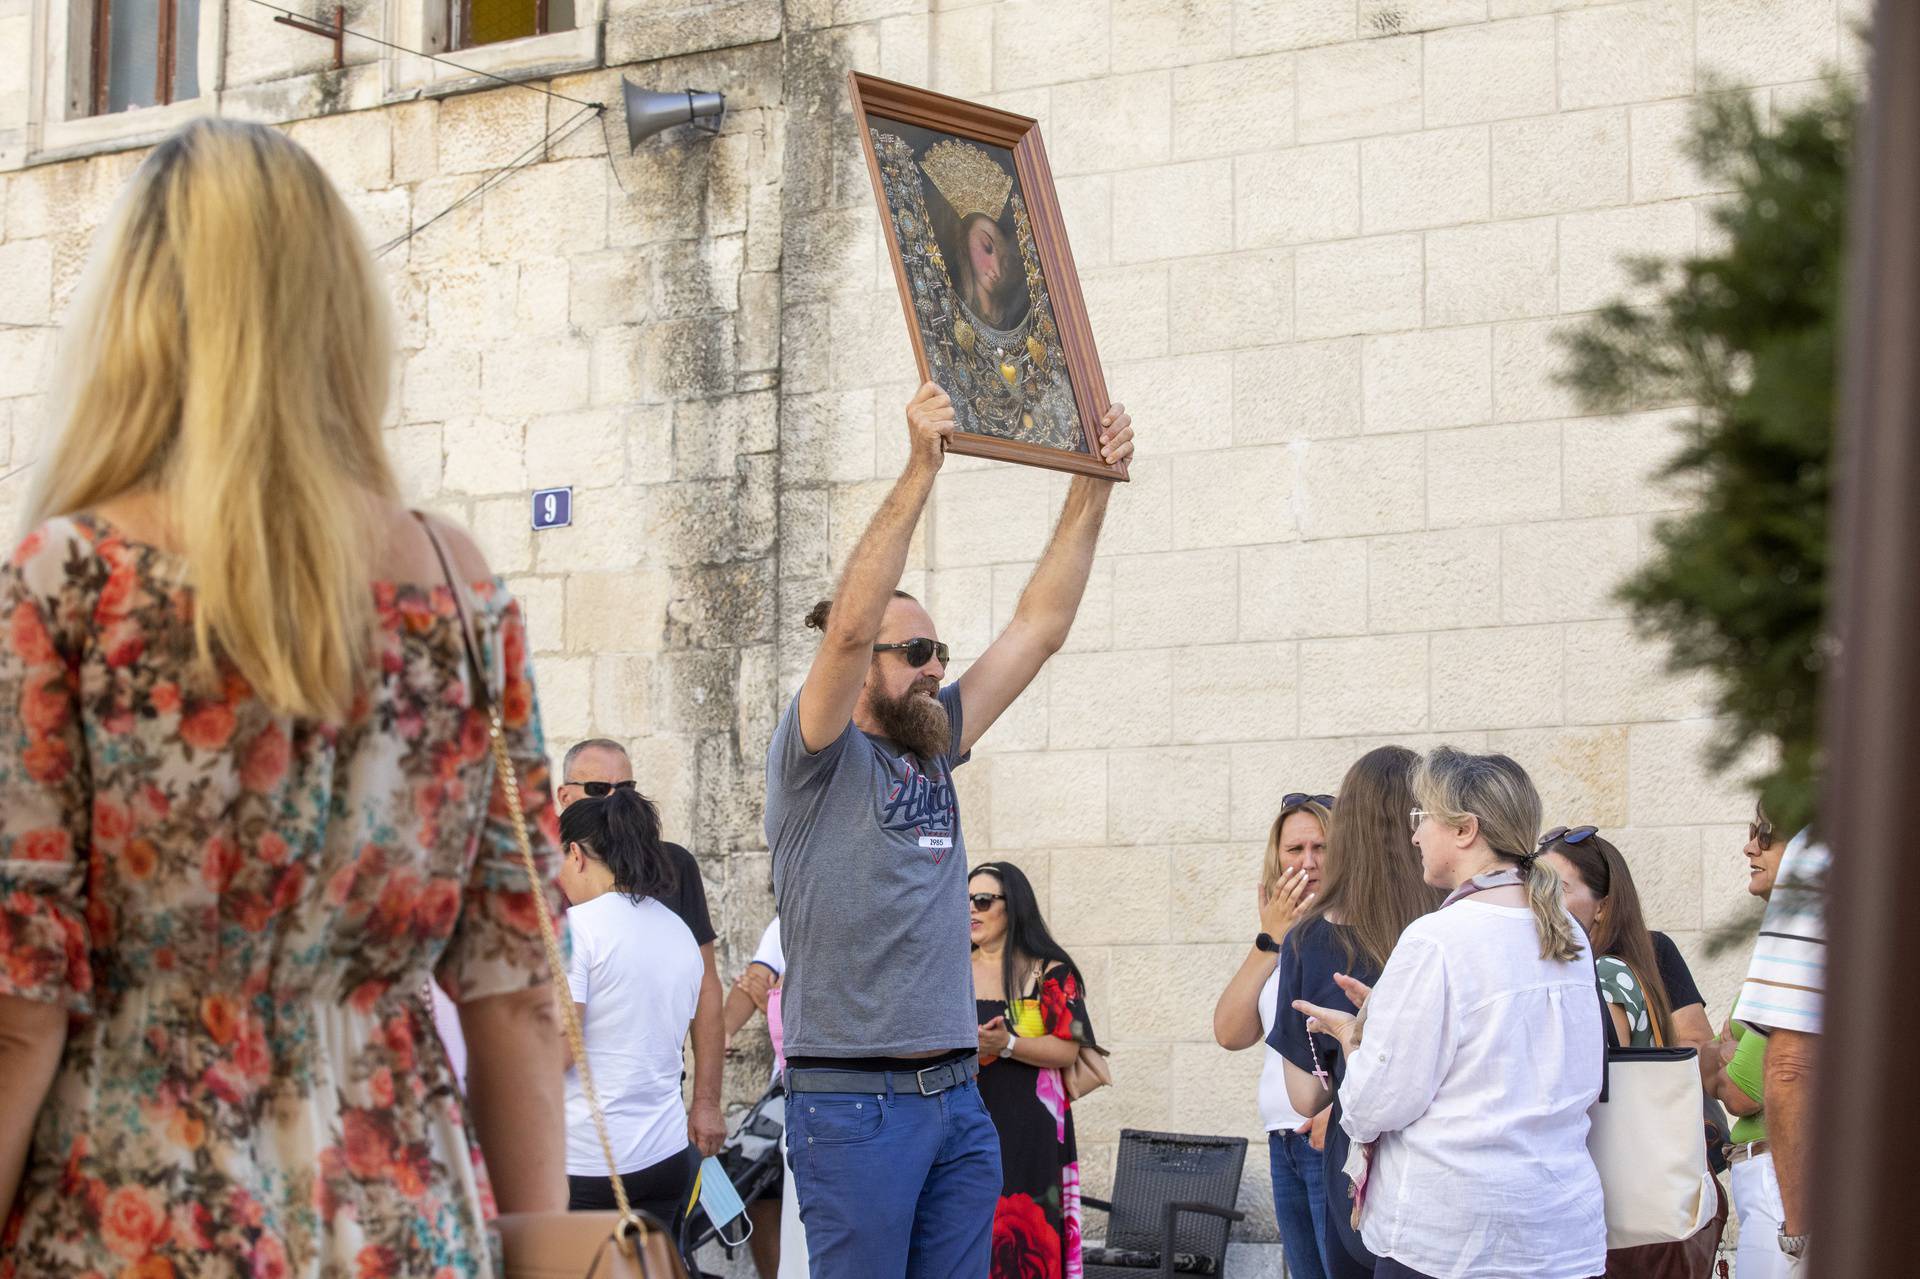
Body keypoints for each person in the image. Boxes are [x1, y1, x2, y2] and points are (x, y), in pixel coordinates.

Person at [0, 119, 567, 1275]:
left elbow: (19, 1004)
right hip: (405, 1218)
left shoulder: (72, 583)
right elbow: (515, 994)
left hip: (136, 1215)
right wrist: (545, 1246)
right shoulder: (460, 591)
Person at [765, 380, 1133, 1278]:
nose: (938, 666)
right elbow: (852, 623)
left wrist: (1093, 481)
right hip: (856, 1106)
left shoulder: (935, 746)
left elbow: (1038, 628)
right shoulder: (815, 758)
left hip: (955, 1101)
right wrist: (921, 465)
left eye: (939, 650)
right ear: (862, 670)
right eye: (917, 653)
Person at [1296, 747, 1606, 1279]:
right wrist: (1395, 1018)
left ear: (1465, 830)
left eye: (1423, 819)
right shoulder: (1564, 928)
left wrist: (1355, 1040)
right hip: (1558, 1232)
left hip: (1452, 1242)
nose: (1414, 834)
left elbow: (1375, 1104)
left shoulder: (1438, 938)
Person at [1270, 750, 1437, 1279]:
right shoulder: (1458, 918)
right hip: (1453, 1165)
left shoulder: (1310, 939)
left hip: (1361, 1171)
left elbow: (1305, 1096)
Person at [561, 738, 726, 1159]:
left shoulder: (672, 866)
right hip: (573, 1125)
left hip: (652, 1119)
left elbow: (707, 987)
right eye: (599, 789)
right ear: (565, 796)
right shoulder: (540, 872)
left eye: (628, 788)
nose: (615, 799)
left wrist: (706, 1101)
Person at [556, 787, 704, 1231]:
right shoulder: (677, 929)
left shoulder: (577, 930)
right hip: (665, 1154)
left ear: (576, 854)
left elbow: (562, 1049)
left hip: (589, 1162)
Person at [1212, 794, 1334, 1279]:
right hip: (1282, 1138)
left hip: (1330, 1138)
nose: (1307, 862)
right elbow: (1230, 1032)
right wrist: (1270, 937)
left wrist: (1338, 1113)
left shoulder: (1353, 926)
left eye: (1322, 847)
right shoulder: (1280, 934)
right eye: (1295, 849)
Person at [968, 861, 1096, 1279]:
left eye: (984, 901)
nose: (972, 910)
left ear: (1014, 906)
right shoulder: (949, 971)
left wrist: (1005, 1044)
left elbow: (1066, 1049)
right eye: (965, 901)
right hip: (963, 1125)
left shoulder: (1050, 972)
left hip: (1029, 1132)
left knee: (1023, 1243)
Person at [1734, 817, 1828, 1275]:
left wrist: (1799, 1231)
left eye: (1766, 832)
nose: (1751, 847)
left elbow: (1784, 1070)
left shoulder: (1823, 850)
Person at [1703, 806, 1792, 1279]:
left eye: (1766, 835)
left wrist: (1720, 1052)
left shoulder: (1795, 944)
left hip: (1780, 1177)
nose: (1750, 846)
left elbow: (1742, 1091)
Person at [1539, 825, 1697, 1047]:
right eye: (1536, 887)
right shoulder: (1617, 967)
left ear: (1603, 907)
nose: (1540, 900)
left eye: (1557, 889)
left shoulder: (1605, 972)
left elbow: (1604, 1070)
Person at [721, 915, 806, 1279]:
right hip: (783, 1092)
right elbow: (753, 981)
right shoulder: (786, 920)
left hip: (833, 1092)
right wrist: (721, 1032)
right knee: (755, 1187)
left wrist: (777, 1001)